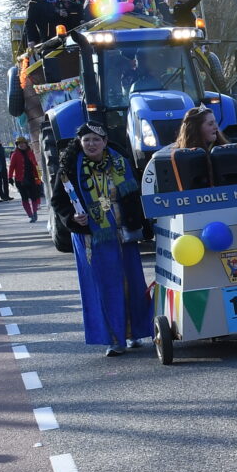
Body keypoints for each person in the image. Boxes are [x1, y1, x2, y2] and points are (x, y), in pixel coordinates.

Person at [50, 122, 155, 356]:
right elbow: (58, 201)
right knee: (105, 287)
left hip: (123, 233)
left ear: (105, 142)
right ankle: (114, 339)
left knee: (131, 282)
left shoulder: (120, 161)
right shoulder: (70, 167)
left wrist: (141, 224)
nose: (91, 144)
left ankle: (134, 333)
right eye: (86, 140)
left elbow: (136, 194)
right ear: (80, 143)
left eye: (96, 139)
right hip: (93, 238)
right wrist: (72, 218)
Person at [8, 136, 44, 222]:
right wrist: (10, 177)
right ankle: (30, 215)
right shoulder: (15, 154)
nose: (21, 145)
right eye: (19, 144)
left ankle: (34, 213)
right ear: (17, 145)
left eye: (23, 143)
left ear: (26, 144)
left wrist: (39, 177)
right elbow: (11, 167)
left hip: (31, 179)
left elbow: (35, 165)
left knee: (34, 197)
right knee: (24, 198)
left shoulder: (30, 153)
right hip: (20, 180)